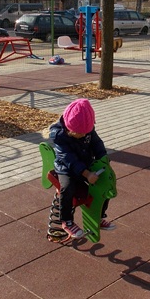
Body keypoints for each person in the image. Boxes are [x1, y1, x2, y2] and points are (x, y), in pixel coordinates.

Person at [49, 99, 115, 239]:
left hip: (85, 164)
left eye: (87, 132)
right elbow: (69, 160)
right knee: (67, 187)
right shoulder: (60, 136)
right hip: (66, 168)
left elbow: (97, 144)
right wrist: (87, 174)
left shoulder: (87, 130)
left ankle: (99, 216)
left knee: (104, 185)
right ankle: (66, 221)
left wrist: (103, 159)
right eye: (80, 133)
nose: (84, 135)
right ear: (69, 128)